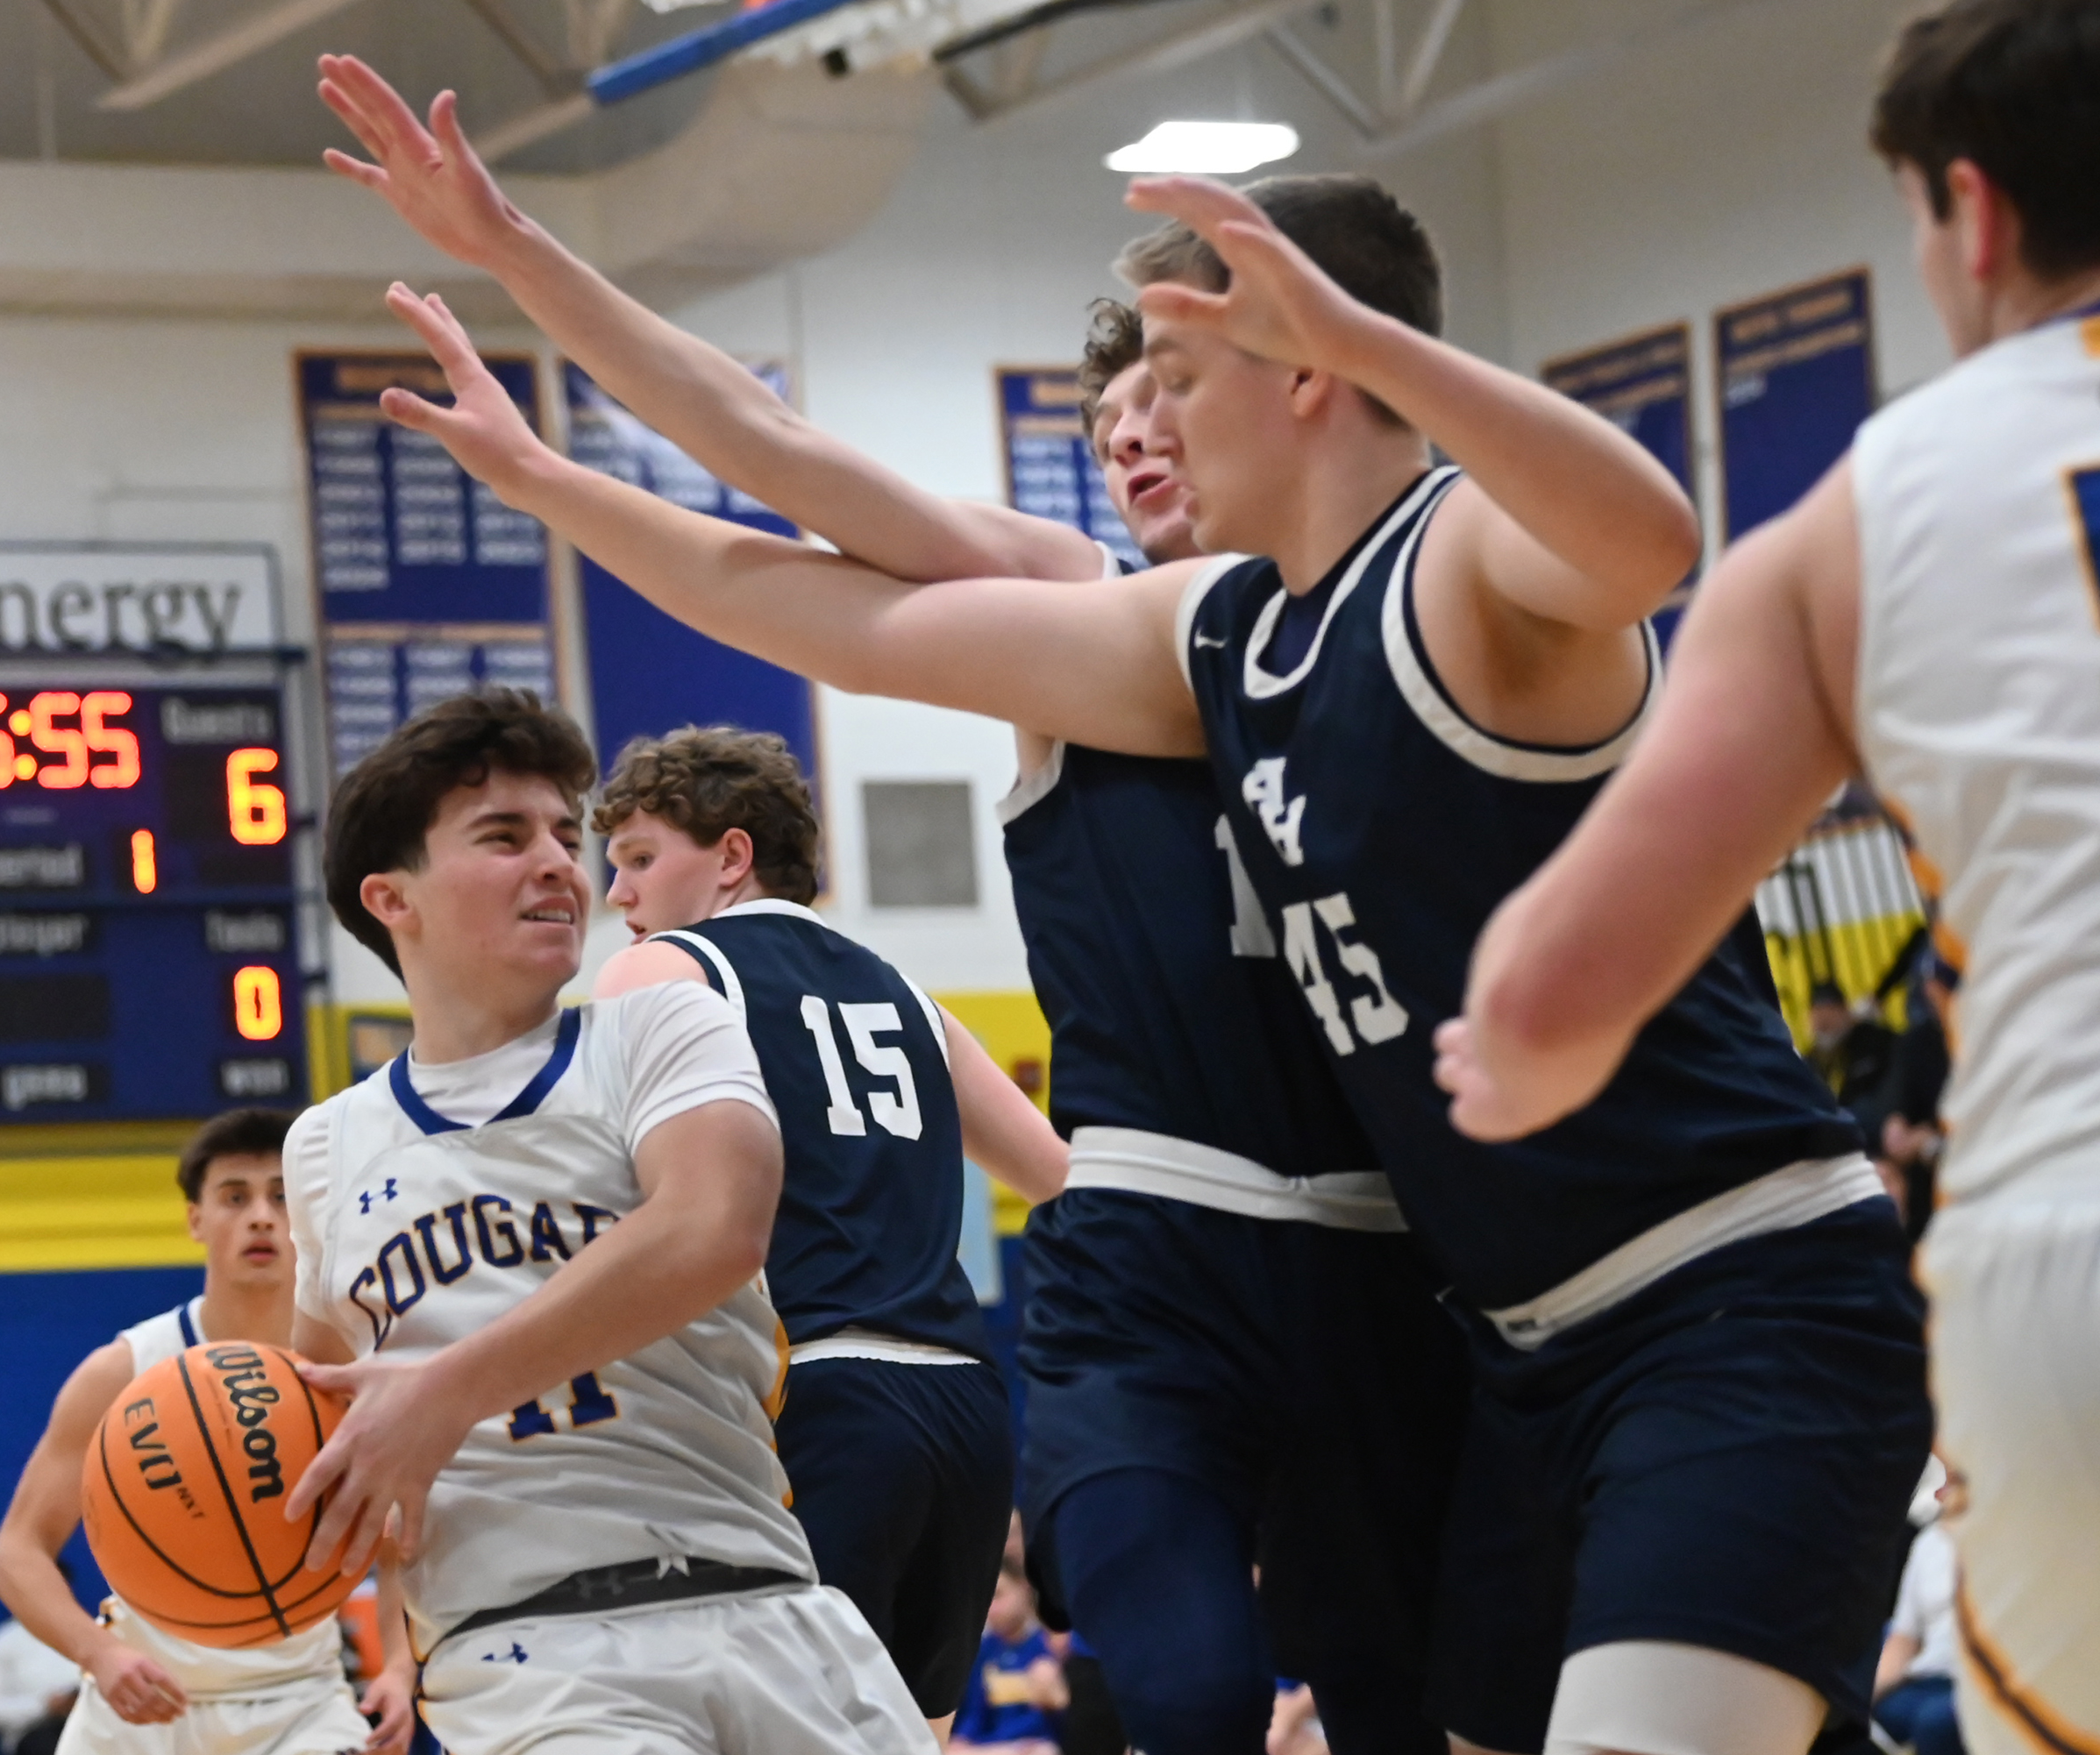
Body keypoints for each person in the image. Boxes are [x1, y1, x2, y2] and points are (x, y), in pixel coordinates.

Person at [348, 159, 1931, 1754]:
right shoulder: (1196, 639)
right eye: (1124, 397)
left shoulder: (1453, 564)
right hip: (1461, 1315)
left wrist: (1386, 353)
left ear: (1316, 369)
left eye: (1173, 380)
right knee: (1250, 1691)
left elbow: (1646, 538)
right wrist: (541, 431)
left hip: (1671, 1277)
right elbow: (818, 587)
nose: (1136, 420)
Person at [1434, 0, 2100, 1750]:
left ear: (1976, 212)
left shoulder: (1847, 526)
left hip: (2082, 1276)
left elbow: (1558, 997)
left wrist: (1503, 1057)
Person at [276, 687, 935, 1755]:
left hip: (771, 1600)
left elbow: (712, 1227)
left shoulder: (659, 1022)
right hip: (531, 1654)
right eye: (504, 836)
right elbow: (318, 1426)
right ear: (392, 899)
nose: (560, 863)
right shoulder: (324, 1149)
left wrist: (446, 1391)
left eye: (560, 834)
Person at [588, 723, 1067, 1735]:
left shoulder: (661, 972)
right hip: (969, 1410)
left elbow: (600, 1196)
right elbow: (1060, 1180)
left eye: (638, 859)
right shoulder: (912, 996)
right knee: (913, 1735)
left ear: (729, 853)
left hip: (817, 1394)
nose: (617, 894)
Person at [0, 1109, 403, 1755]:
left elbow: (402, 1540)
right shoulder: (122, 1370)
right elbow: (17, 1552)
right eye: (235, 1197)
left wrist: (402, 1669)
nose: (261, 1216)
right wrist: (99, 1653)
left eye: (282, 1197)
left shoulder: (349, 1370)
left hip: (299, 1704)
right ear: (195, 1220)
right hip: (139, 1704)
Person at [948, 1560, 1070, 1755]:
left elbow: (1078, 1722)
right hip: (990, 1747)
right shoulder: (981, 1652)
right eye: (984, 1601)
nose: (991, 1609)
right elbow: (971, 1717)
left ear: (1024, 1588)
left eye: (998, 1596)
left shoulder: (1052, 1646)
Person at [1869, 1511, 1961, 1755]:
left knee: (1935, 1723)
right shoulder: (1930, 1541)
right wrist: (1863, 1696)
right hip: (1928, 1678)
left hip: (1973, 1685)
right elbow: (1904, 1639)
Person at [0, 1603, 79, 1755]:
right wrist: (45, 1706)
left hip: (86, 1727)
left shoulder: (86, 1634)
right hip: (34, 1734)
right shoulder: (4, 1641)